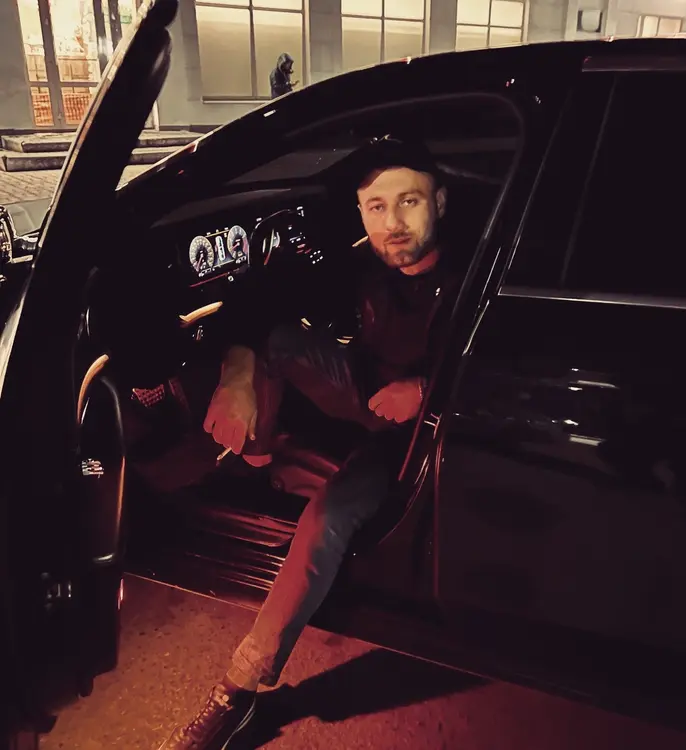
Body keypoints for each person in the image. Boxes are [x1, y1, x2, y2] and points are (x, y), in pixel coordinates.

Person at [157, 136, 459, 750]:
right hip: (364, 400)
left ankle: (241, 686)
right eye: (376, 207)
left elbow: (513, 366)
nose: (393, 223)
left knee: (326, 518)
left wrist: (428, 391)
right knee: (272, 339)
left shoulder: (477, 274)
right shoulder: (364, 267)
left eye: (409, 201)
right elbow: (255, 298)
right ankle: (253, 458)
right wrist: (237, 374)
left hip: (414, 441)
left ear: (440, 203)